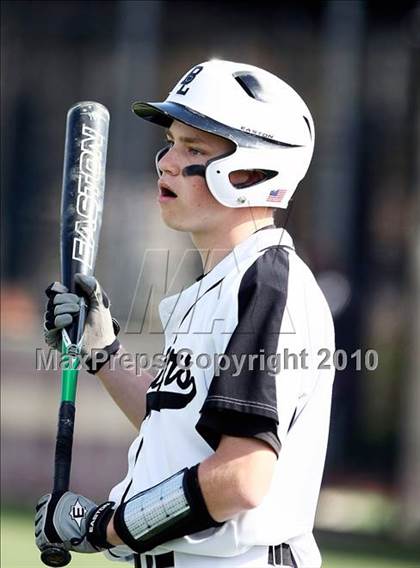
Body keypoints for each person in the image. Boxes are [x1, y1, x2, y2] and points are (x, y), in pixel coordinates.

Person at [35, 59, 335, 568]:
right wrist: (103, 352)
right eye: (170, 142)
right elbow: (175, 430)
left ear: (253, 171)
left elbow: (240, 479)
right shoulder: (220, 285)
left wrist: (105, 526)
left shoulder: (265, 284)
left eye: (193, 149)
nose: (166, 162)